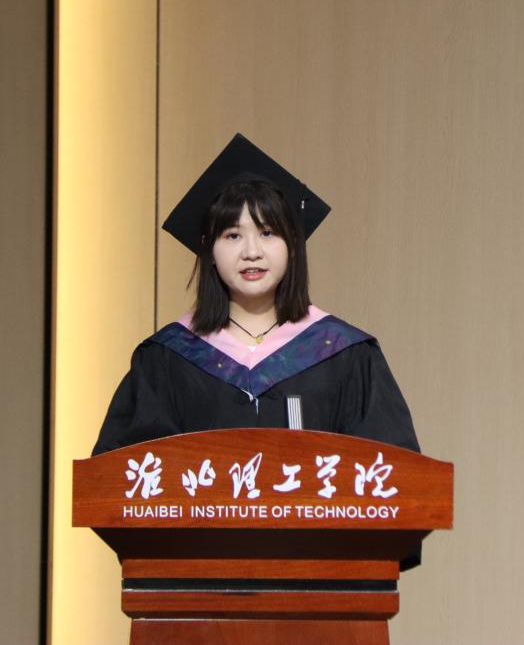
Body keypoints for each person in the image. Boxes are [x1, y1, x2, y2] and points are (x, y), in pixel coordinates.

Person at [93, 134, 419, 457]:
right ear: (209, 249)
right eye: (232, 235)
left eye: (267, 233)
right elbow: (122, 475)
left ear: (293, 244)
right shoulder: (167, 359)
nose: (252, 252)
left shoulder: (344, 354)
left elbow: (393, 473)